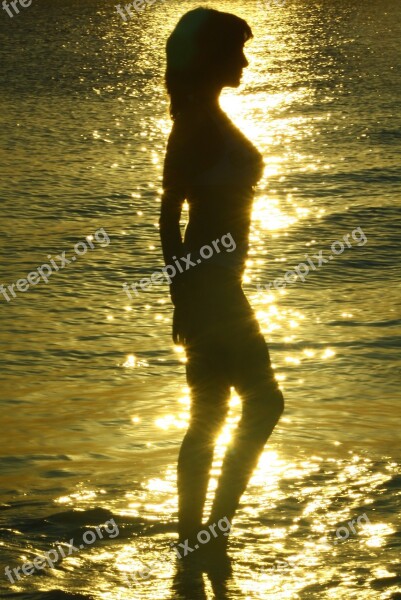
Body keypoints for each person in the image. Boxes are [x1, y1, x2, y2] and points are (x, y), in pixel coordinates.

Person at [159, 7, 284, 571]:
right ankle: (212, 536)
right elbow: (169, 218)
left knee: (208, 412)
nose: (245, 60)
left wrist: (185, 295)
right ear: (210, 57)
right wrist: (184, 297)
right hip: (211, 287)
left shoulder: (208, 116)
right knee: (264, 402)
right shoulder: (194, 126)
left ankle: (197, 545)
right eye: (236, 50)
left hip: (215, 284)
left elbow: (172, 218)